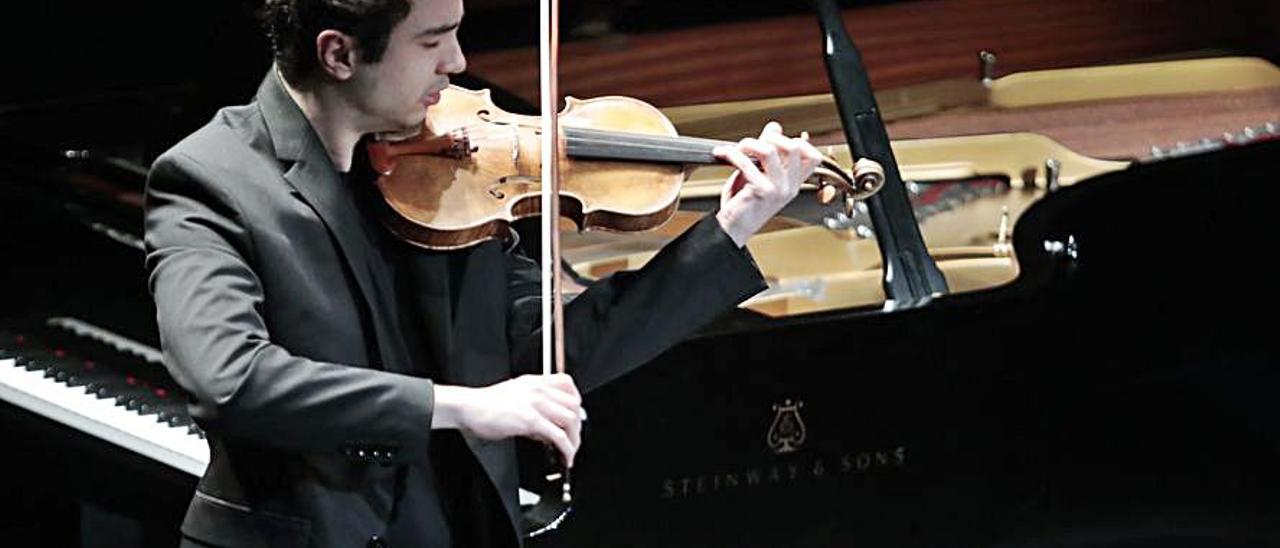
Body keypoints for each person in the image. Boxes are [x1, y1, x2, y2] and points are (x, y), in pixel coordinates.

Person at [144, 0, 824, 545]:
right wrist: (462, 405)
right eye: (434, 40)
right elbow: (229, 380)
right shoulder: (210, 179)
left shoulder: (453, 168)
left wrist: (733, 226)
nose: (460, 63)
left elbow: (551, 356)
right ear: (339, 53)